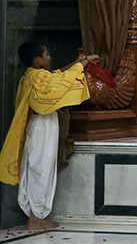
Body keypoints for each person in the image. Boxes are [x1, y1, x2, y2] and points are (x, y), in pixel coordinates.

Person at [0, 42, 98, 230]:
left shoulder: (33, 76)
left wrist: (77, 62)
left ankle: (34, 216)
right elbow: (58, 82)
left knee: (37, 169)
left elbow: (56, 76)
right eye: (46, 55)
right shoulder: (38, 78)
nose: (49, 57)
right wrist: (82, 65)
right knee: (41, 170)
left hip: (41, 125)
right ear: (38, 59)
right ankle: (35, 218)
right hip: (42, 127)